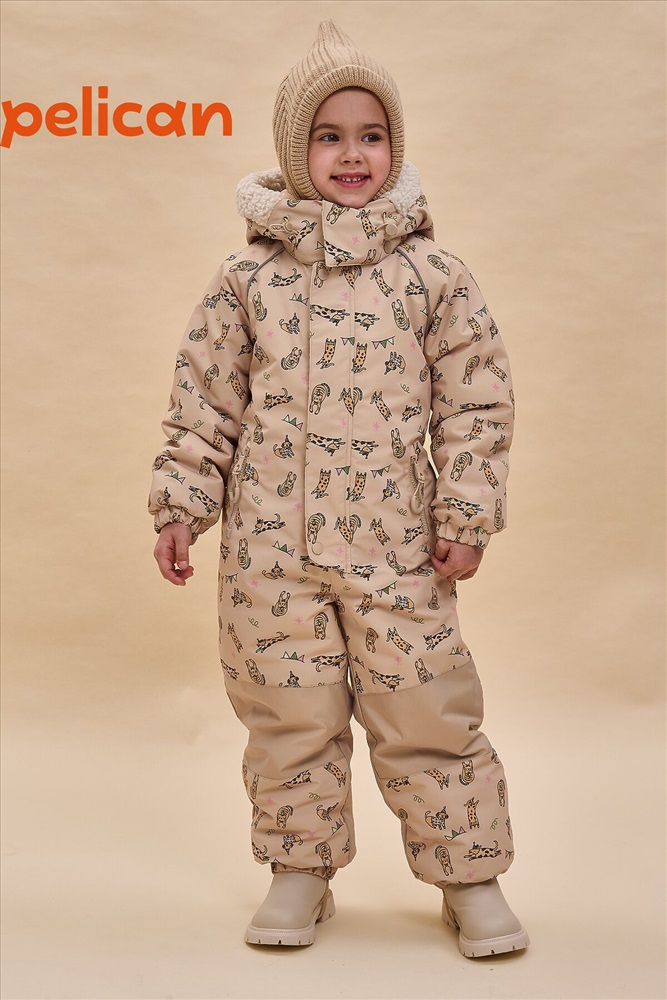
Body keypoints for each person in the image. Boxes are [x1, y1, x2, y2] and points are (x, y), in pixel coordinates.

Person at [149, 20, 529, 958]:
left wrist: (466, 513)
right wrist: (181, 505)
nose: (352, 155)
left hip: (397, 550)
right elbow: (203, 398)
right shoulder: (247, 278)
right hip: (268, 559)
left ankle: (469, 874)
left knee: (427, 711)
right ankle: (298, 871)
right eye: (328, 136)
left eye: (371, 135)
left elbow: (476, 400)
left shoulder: (432, 276)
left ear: (394, 147)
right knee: (288, 717)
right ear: (295, 154)